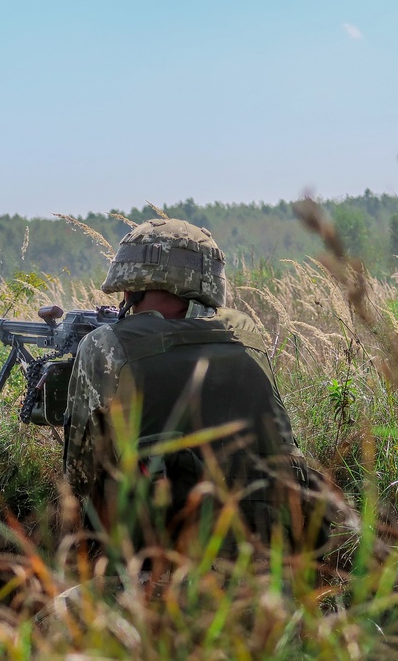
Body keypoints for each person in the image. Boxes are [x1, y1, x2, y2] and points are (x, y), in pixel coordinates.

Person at [63, 217, 350, 555]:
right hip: (273, 564)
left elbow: (78, 480)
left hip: (166, 574)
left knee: (52, 608)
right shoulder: (247, 336)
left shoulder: (106, 345)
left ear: (130, 285)